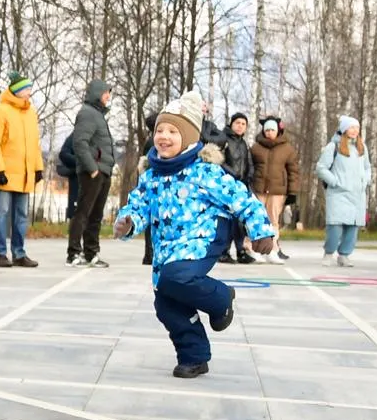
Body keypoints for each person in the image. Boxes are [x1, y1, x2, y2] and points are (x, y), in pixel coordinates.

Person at [114, 96, 275, 379]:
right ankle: (194, 357)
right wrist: (128, 222)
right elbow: (138, 206)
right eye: (160, 130)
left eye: (172, 131)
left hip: (204, 236)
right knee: (166, 303)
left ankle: (221, 297)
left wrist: (260, 230)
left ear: (188, 137)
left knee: (177, 276)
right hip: (167, 247)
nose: (163, 136)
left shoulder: (204, 171)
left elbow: (241, 198)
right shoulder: (151, 175)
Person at [0, 71, 41, 267]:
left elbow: (35, 143)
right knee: (1, 213)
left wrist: (38, 167)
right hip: (6, 173)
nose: (29, 93)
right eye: (26, 89)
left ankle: (19, 253)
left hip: (25, 173)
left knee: (22, 215)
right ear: (16, 90)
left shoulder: (31, 113)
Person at [67, 79, 115, 267]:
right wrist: (92, 168)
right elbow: (79, 142)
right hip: (93, 172)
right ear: (97, 93)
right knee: (83, 213)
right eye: (106, 93)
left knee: (96, 215)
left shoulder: (98, 115)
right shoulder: (87, 113)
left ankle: (91, 253)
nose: (108, 96)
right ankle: (73, 253)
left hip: (104, 171)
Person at [316, 116, 371, 268]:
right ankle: (328, 253)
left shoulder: (362, 147)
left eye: (357, 128)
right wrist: (335, 181)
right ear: (344, 129)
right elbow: (321, 168)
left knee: (352, 227)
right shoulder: (333, 146)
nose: (354, 131)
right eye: (351, 127)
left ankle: (344, 255)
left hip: (357, 195)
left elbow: (367, 167)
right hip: (338, 193)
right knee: (335, 226)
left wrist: (365, 181)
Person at [249, 116, 299, 263]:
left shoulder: (287, 149)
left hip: (277, 191)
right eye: (267, 130)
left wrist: (292, 192)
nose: (270, 132)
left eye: (272, 130)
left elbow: (293, 171)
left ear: (278, 131)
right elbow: (250, 168)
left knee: (273, 220)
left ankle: (272, 249)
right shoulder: (256, 148)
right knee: (255, 218)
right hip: (258, 189)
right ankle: (251, 248)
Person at [216, 111, 257, 263]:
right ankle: (223, 252)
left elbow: (249, 162)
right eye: (237, 123)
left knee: (239, 220)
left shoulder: (243, 143)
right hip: (227, 184)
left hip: (241, 185)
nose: (240, 126)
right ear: (231, 124)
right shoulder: (223, 139)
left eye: (243, 124)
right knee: (226, 219)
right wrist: (232, 174)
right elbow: (219, 159)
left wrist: (249, 176)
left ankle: (241, 251)